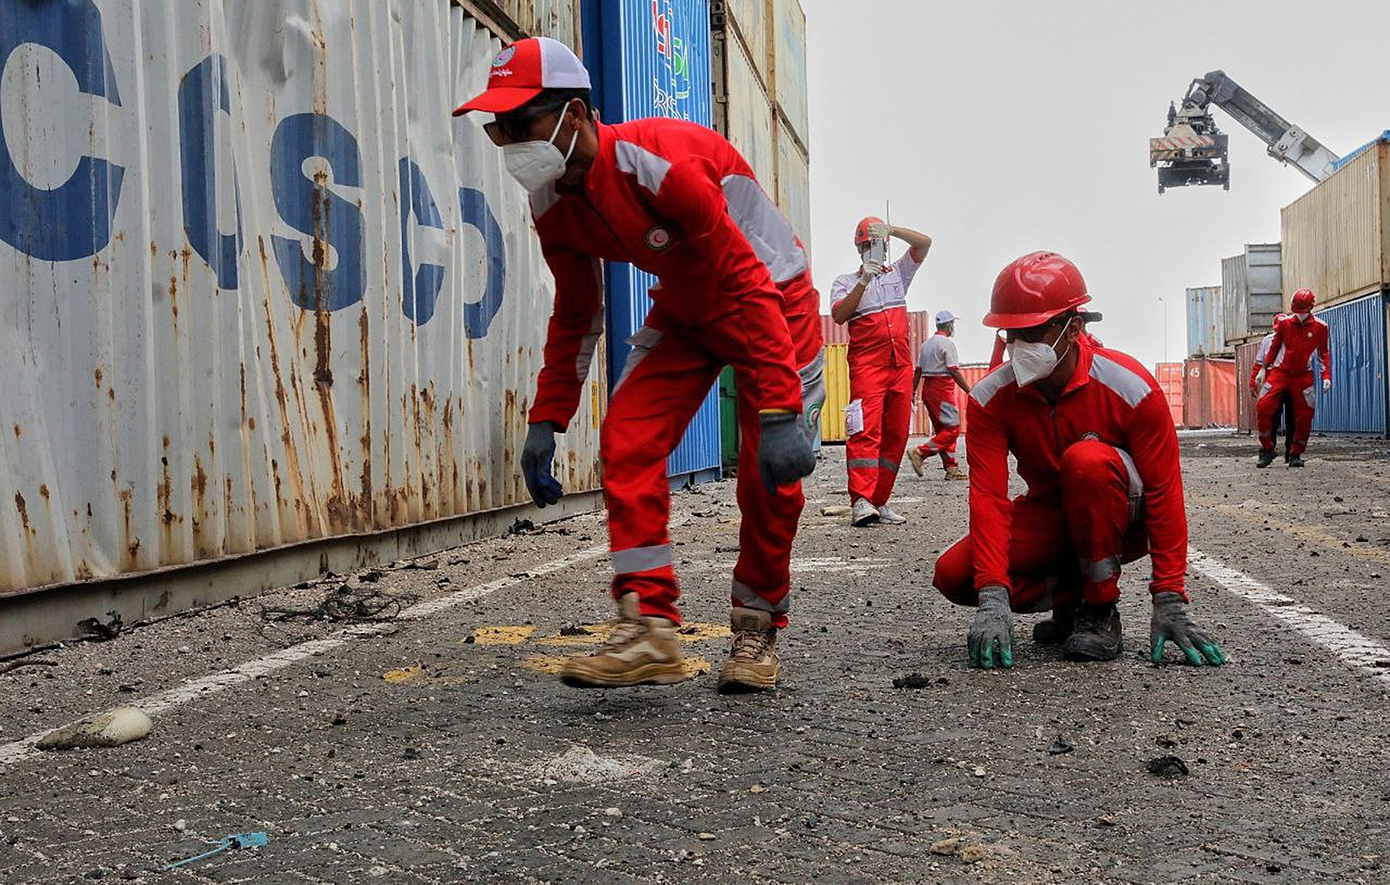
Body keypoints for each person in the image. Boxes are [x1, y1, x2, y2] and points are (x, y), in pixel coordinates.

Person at [454, 37, 823, 692]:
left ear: (573, 114)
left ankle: (757, 628)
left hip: (771, 299)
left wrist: (782, 408)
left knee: (768, 477)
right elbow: (576, 311)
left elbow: (748, 282)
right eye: (497, 129)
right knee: (626, 440)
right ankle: (648, 625)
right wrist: (548, 417)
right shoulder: (551, 199)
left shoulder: (661, 165)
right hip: (688, 306)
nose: (509, 142)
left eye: (519, 124)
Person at [932, 252, 1226, 669]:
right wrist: (993, 597)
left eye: (1032, 332)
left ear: (1073, 328)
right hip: (1055, 516)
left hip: (1124, 521)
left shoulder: (1130, 387)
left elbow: (1163, 491)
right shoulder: (990, 400)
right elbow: (989, 499)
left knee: (1086, 460)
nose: (1019, 347)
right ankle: (1073, 597)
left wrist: (1169, 597)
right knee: (955, 573)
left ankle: (1100, 609)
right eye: (1010, 335)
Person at [829, 218, 933, 527]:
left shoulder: (898, 274)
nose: (874, 249)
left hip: (899, 365)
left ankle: (879, 500)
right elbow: (839, 315)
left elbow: (924, 243)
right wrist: (863, 282)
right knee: (864, 431)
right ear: (859, 247)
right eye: (869, 244)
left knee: (896, 434)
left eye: (878, 244)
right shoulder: (845, 282)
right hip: (867, 367)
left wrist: (892, 229)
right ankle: (861, 500)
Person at [1255, 290, 1331, 468]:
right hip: (1281, 373)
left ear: (1310, 308)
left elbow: (1324, 353)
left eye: (1302, 311)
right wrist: (1263, 369)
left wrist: (1326, 376)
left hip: (1303, 376)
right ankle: (1267, 449)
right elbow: (1274, 348)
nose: (1299, 314)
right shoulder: (1285, 324)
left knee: (1305, 414)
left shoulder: (1321, 327)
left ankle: (1295, 453)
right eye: (1296, 310)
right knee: (1264, 406)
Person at [908, 310, 970, 480]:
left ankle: (951, 469)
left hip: (927, 390)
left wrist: (912, 392)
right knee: (952, 429)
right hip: (942, 390)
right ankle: (920, 452)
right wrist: (969, 390)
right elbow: (954, 370)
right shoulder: (947, 344)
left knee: (943, 431)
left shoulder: (926, 344)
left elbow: (918, 371)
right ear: (949, 325)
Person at [1249, 315, 1295, 462]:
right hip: (1274, 382)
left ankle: (1292, 453)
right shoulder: (1268, 341)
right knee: (1270, 418)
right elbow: (1259, 363)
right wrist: (1252, 383)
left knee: (1293, 418)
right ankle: (1268, 451)